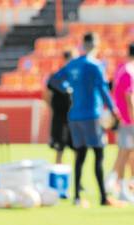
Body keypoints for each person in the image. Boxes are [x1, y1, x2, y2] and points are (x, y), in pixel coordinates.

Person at [49, 32, 121, 207]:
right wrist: (113, 110)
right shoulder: (95, 65)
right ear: (95, 44)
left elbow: (52, 81)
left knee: (80, 155)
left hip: (74, 116)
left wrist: (67, 89)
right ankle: (103, 197)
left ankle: (77, 197)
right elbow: (103, 90)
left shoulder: (73, 64)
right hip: (91, 115)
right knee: (98, 155)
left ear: (83, 44)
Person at [105, 42, 134, 202]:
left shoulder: (122, 69)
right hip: (128, 120)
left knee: (128, 153)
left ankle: (121, 184)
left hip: (124, 118)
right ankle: (121, 187)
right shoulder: (129, 71)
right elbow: (129, 98)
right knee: (125, 153)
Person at [45, 50, 78, 165]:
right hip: (60, 118)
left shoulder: (75, 77)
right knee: (59, 148)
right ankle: (58, 173)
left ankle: (76, 175)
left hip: (73, 118)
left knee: (77, 148)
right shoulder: (56, 77)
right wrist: (53, 108)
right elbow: (47, 94)